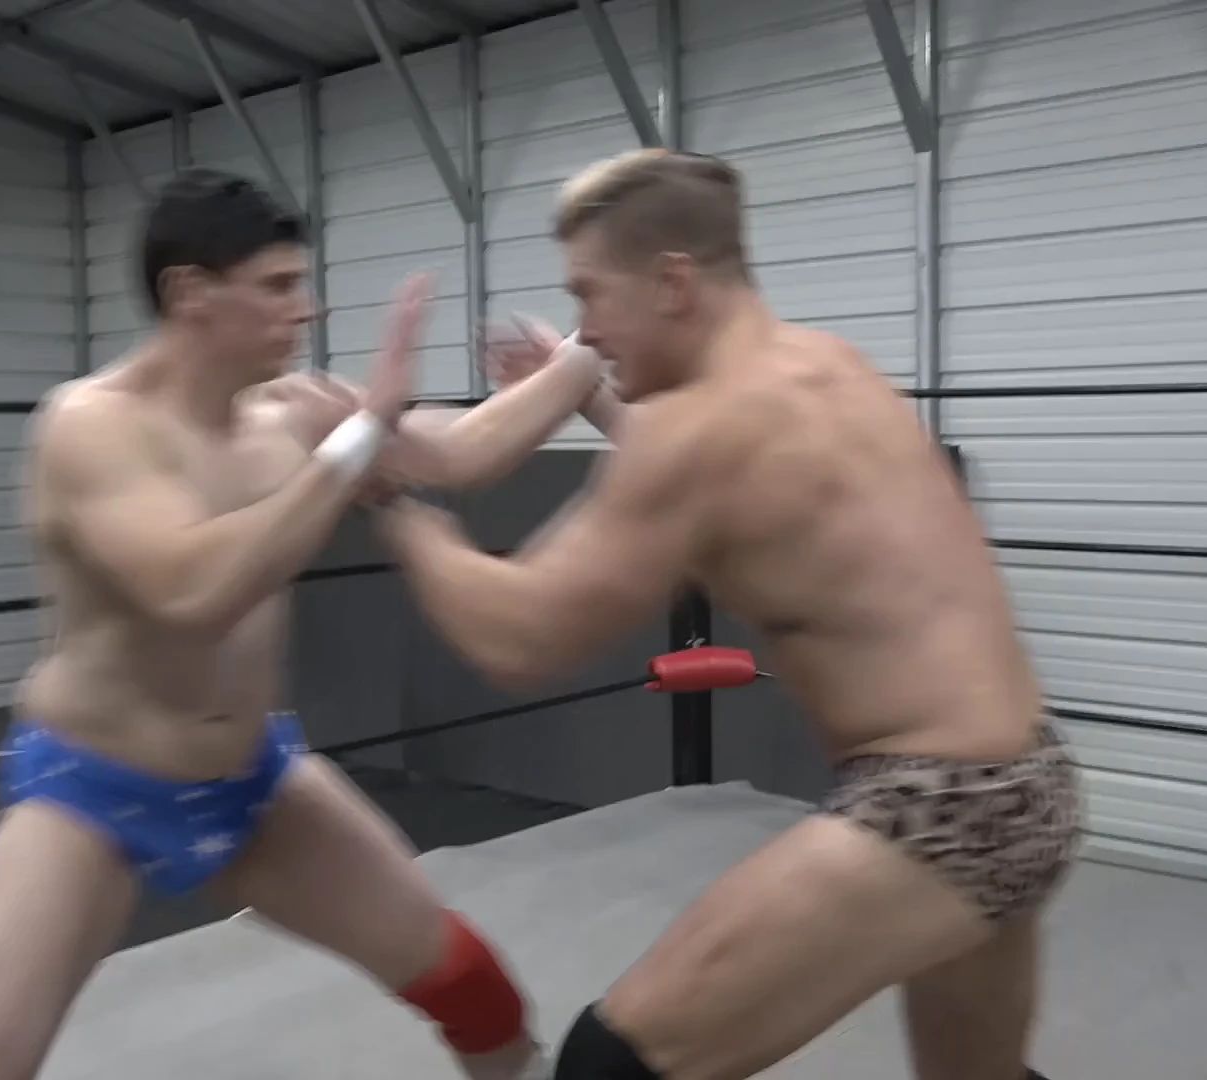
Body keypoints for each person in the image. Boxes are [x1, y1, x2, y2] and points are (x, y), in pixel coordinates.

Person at [374, 148, 1082, 1080]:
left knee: (614, 1065)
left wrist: (398, 513)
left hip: (933, 808)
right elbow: (741, 488)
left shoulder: (698, 431)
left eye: (591, 295)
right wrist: (595, 395)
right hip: (1031, 781)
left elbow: (522, 636)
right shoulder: (826, 366)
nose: (586, 329)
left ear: (673, 282)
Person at [0, 168, 614, 1080]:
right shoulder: (92, 426)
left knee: (475, 992)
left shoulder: (294, 409)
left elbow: (463, 453)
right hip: (93, 792)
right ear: (189, 293)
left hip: (255, 778)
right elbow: (196, 590)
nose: (305, 308)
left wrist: (593, 346)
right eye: (277, 287)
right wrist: (358, 443)